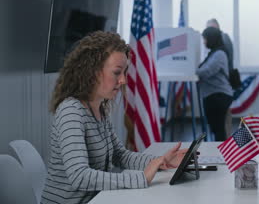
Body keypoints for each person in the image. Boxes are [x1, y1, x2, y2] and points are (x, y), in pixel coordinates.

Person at [42, 31, 188, 204]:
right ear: (92, 71)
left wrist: (161, 161)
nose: (123, 80)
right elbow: (79, 176)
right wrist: (141, 178)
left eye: (124, 72)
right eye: (117, 72)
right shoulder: (71, 111)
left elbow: (120, 155)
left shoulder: (98, 108)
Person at [196, 27, 233, 141]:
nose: (204, 42)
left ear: (211, 39)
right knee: (216, 129)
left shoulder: (219, 54)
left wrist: (191, 70)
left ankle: (221, 156)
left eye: (205, 39)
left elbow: (206, 71)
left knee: (219, 130)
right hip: (213, 95)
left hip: (219, 96)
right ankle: (219, 153)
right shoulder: (214, 53)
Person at [206, 18, 235, 135]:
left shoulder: (224, 39)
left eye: (212, 28)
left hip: (223, 84)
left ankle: (227, 145)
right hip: (217, 85)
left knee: (224, 117)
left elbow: (224, 62)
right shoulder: (214, 41)